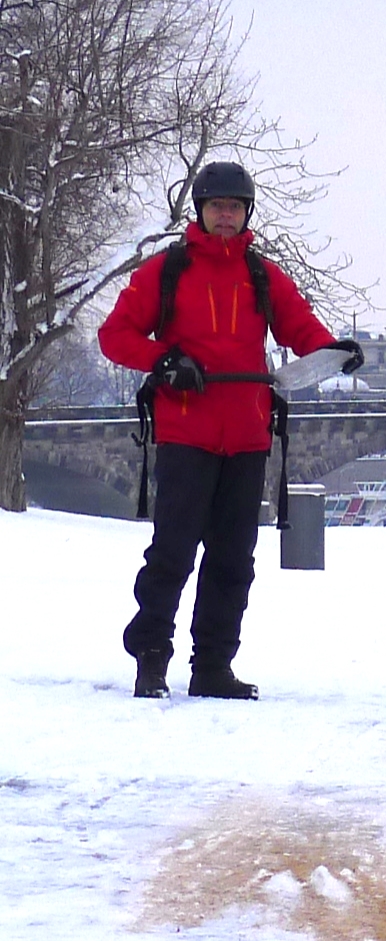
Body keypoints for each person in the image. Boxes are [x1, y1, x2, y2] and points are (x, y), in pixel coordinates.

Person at [98, 159, 356, 699]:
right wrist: (165, 360)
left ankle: (212, 664)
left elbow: (299, 327)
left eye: (234, 207)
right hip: (185, 433)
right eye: (217, 206)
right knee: (172, 551)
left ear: (246, 214)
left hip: (246, 435)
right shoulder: (166, 272)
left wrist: (334, 353)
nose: (225, 215)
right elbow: (115, 335)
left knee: (233, 560)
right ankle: (151, 655)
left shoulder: (261, 275)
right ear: (200, 210)